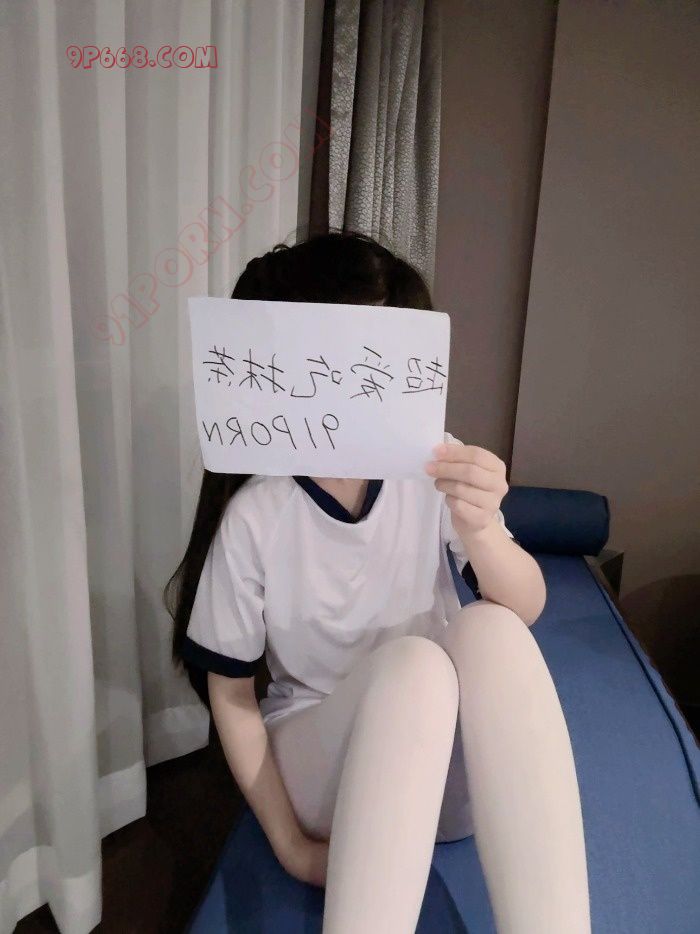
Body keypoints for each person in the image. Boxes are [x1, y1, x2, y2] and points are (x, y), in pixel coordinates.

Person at [164, 231, 590, 933]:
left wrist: (483, 528)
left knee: (488, 627)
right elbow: (231, 694)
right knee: (417, 666)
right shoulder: (259, 514)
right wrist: (290, 845)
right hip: (325, 775)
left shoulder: (429, 471)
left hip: (443, 785)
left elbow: (526, 606)